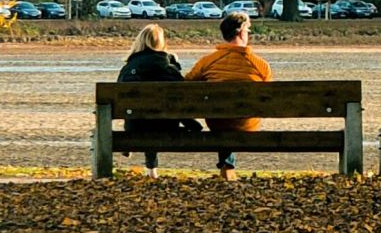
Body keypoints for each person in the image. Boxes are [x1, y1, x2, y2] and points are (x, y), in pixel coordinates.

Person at [185, 11, 272, 180]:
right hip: (247, 123)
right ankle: (228, 167)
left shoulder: (208, 61)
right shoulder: (260, 65)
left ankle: (227, 165)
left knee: (221, 114)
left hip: (217, 122)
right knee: (236, 114)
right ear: (240, 31)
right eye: (248, 30)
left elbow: (185, 85)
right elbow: (269, 96)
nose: (249, 34)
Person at [116, 24, 196, 178]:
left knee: (143, 115)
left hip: (135, 127)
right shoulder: (168, 68)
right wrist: (175, 65)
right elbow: (183, 97)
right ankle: (151, 169)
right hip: (165, 127)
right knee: (159, 115)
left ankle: (149, 166)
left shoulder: (128, 68)